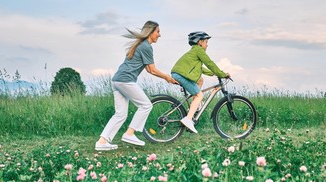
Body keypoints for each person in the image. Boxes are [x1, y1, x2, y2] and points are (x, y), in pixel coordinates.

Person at [95, 21, 177, 151]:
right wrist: (167, 77)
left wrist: (165, 77)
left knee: (120, 114)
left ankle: (102, 141)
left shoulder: (141, 45)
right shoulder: (146, 47)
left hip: (117, 80)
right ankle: (130, 133)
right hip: (125, 80)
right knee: (146, 105)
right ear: (150, 32)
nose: (159, 35)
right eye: (158, 32)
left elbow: (149, 70)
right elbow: (152, 69)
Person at [171, 31, 230, 133]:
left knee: (200, 80)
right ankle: (188, 119)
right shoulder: (199, 50)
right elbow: (209, 63)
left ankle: (196, 105)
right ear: (199, 42)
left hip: (179, 74)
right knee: (200, 95)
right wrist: (222, 74)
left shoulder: (194, 52)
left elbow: (201, 68)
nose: (207, 45)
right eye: (206, 42)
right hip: (181, 75)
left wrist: (214, 73)